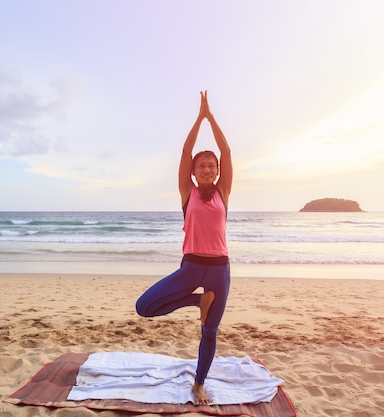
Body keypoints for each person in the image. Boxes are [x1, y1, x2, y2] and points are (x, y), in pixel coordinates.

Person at [135, 91, 233, 406]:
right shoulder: (186, 192)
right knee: (144, 307)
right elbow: (186, 149)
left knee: (210, 332)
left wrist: (212, 117)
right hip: (190, 268)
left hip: (219, 269)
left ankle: (199, 385)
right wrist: (199, 117)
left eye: (211, 166)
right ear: (193, 172)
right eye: (201, 166)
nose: (207, 169)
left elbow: (227, 150)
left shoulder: (223, 193)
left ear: (217, 171)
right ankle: (197, 301)